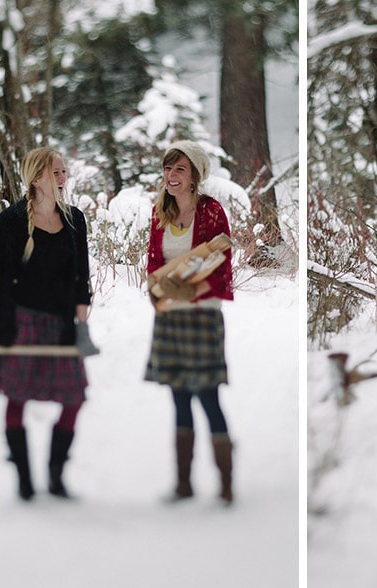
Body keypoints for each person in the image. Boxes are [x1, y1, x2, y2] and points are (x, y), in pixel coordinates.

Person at [0, 147, 99, 501]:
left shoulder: (74, 219)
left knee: (73, 399)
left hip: (60, 324)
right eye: (55, 172)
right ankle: (25, 478)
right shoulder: (10, 222)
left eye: (64, 172)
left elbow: (80, 280)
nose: (63, 179)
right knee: (17, 398)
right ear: (36, 177)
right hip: (20, 322)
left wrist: (82, 328)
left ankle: (56, 474)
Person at [144, 140, 235, 504]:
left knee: (208, 397)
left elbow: (222, 263)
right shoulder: (160, 212)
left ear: (196, 174)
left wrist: (191, 293)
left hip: (202, 316)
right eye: (168, 169)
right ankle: (184, 483)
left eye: (179, 169)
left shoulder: (211, 212)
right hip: (170, 318)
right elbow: (153, 262)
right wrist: (157, 290)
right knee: (179, 399)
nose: (171, 176)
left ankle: (226, 484)